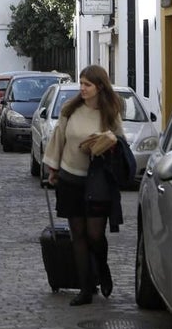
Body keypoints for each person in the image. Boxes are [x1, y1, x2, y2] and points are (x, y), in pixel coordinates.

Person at [43, 64, 123, 305]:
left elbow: (120, 142)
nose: (83, 88)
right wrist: (53, 169)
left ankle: (102, 268)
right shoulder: (70, 110)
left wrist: (107, 143)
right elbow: (58, 140)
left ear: (99, 86)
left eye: (87, 84)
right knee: (78, 234)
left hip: (97, 182)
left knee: (95, 234)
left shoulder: (110, 113)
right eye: (81, 84)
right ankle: (85, 288)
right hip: (70, 178)